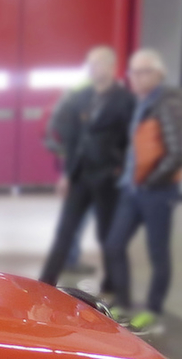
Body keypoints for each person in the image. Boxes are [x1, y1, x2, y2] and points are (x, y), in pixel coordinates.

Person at [102, 48, 182, 336]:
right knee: (114, 244)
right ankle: (123, 303)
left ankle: (153, 311)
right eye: (134, 72)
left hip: (157, 190)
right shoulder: (142, 103)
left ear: (159, 74)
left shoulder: (169, 103)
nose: (137, 77)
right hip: (132, 189)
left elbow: (177, 153)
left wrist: (151, 181)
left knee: (157, 252)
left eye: (145, 72)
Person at [37, 47, 135, 291]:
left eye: (98, 63)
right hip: (79, 175)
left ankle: (112, 286)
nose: (93, 68)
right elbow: (71, 136)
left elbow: (132, 139)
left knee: (107, 235)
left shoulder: (125, 100)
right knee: (64, 232)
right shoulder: (81, 97)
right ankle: (45, 284)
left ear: (112, 67)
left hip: (107, 176)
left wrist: (121, 168)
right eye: (90, 64)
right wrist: (66, 174)